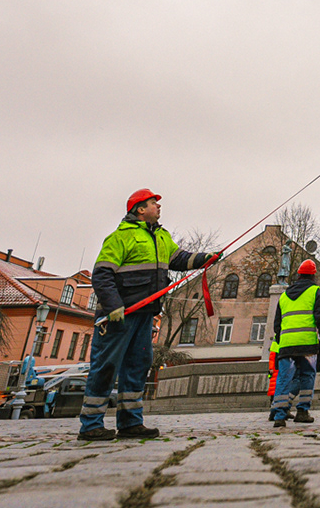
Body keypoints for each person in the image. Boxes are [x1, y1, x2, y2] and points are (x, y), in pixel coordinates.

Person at [77, 188, 220, 442]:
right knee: (106, 366)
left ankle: (131, 422)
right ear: (139, 209)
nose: (159, 206)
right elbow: (102, 274)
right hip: (119, 316)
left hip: (146, 314)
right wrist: (113, 306)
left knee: (137, 366)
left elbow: (180, 259)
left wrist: (205, 259)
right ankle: (90, 425)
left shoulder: (162, 237)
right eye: (154, 203)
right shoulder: (120, 237)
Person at [270, 258, 320, 426]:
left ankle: (279, 415)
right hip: (307, 344)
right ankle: (302, 411)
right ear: (313, 276)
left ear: (298, 275)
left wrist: (282, 339)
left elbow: (277, 324)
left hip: (287, 344)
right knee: (307, 375)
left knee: (284, 377)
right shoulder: (315, 291)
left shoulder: (284, 296)